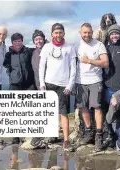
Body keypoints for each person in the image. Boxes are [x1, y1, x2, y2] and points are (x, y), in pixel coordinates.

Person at [39, 23, 76, 151]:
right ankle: (52, 136)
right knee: (51, 112)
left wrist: (70, 85)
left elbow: (73, 68)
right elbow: (41, 66)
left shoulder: (70, 47)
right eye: (56, 33)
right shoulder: (46, 47)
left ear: (64, 33)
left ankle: (66, 140)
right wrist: (42, 83)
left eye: (60, 32)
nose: (58, 35)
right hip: (49, 83)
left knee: (64, 113)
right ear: (52, 34)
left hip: (63, 85)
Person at [75, 23, 109, 151]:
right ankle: (89, 131)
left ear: (92, 32)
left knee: (97, 107)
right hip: (80, 81)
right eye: (84, 32)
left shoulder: (99, 45)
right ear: (80, 32)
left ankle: (99, 136)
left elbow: (105, 63)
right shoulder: (76, 46)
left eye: (89, 32)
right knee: (82, 106)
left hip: (95, 80)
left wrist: (90, 61)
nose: (87, 35)